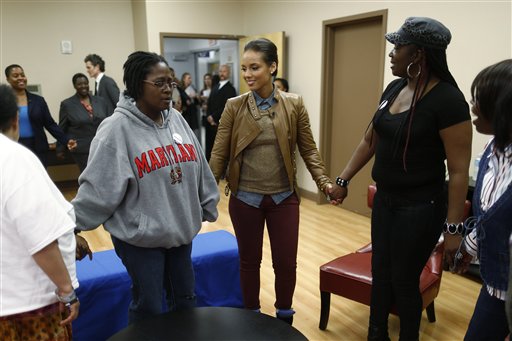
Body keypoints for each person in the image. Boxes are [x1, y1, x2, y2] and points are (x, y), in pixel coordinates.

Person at [329, 17, 472, 340]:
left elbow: (459, 170)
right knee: (381, 272)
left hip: (421, 208)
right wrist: (343, 179)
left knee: (404, 279)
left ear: (418, 54)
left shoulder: (448, 100)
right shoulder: (394, 88)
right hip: (386, 200)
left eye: (398, 47)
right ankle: (375, 334)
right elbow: (370, 140)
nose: (392, 54)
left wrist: (453, 229)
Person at [72, 51, 220, 323]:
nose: (168, 90)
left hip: (180, 233)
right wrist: (71, 227)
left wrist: (206, 203)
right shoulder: (115, 129)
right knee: (149, 305)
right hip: (141, 240)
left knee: (185, 300)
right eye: (160, 83)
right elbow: (97, 188)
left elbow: (198, 163)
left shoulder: (176, 118)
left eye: (171, 83)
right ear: (138, 84)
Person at [209, 38, 333, 325]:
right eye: (244, 68)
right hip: (245, 198)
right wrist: (205, 193)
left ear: (273, 67)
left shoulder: (294, 104)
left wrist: (324, 182)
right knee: (249, 262)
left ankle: (284, 315)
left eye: (255, 67)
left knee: (286, 263)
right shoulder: (234, 106)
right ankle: (251, 315)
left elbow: (308, 149)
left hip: (283, 198)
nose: (248, 74)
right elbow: (218, 153)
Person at [0, 84, 79, 339]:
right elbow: (41, 238)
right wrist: (67, 290)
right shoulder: (14, 159)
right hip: (26, 307)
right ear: (15, 120)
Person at [451, 59, 512, 341]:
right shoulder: (491, 149)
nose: (472, 106)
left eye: (479, 99)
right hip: (494, 285)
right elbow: (493, 215)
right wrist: (469, 246)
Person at [4, 64, 76, 167]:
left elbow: (50, 124)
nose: (20, 78)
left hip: (38, 148)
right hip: (15, 148)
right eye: (15, 76)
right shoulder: (4, 102)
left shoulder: (38, 100)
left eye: (22, 75)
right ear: (8, 79)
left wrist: (66, 140)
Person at [59, 73, 110, 173]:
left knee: (105, 176)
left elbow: (108, 123)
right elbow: (62, 127)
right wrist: (60, 148)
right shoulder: (67, 104)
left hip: (102, 147)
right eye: (79, 84)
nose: (83, 86)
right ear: (74, 86)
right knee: (89, 178)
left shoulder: (100, 101)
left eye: (85, 83)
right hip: (82, 150)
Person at [205, 64, 236, 161]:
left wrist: (214, 117)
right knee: (210, 148)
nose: (222, 73)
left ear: (229, 73)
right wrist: (209, 116)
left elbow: (227, 107)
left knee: (219, 150)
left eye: (224, 71)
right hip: (210, 123)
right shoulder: (216, 86)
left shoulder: (230, 89)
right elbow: (209, 103)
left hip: (220, 123)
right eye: (220, 71)